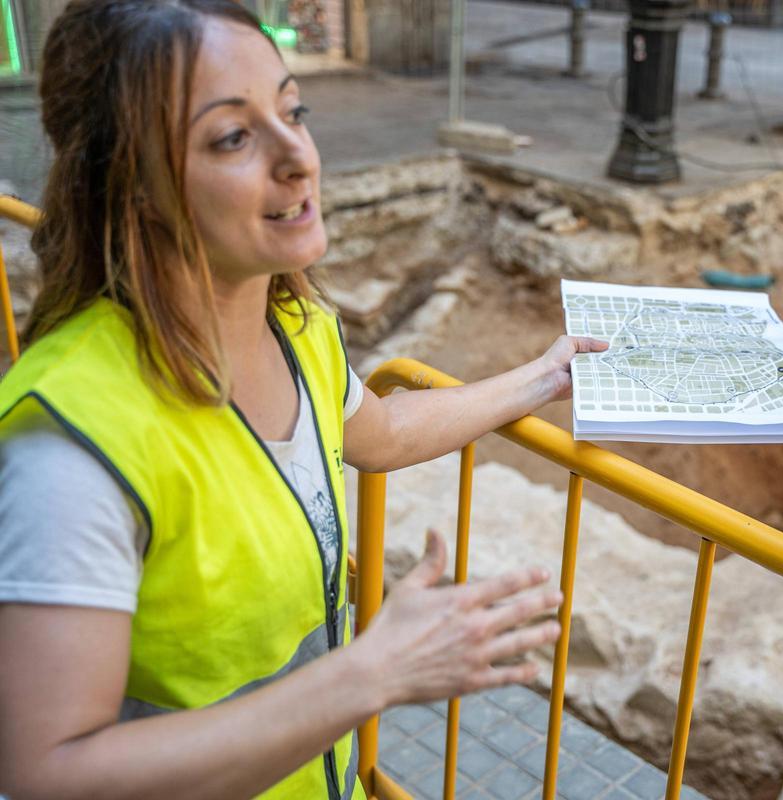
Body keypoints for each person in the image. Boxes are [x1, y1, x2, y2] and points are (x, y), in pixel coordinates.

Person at [0, 1, 607, 797]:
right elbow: (47, 772)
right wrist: (373, 674)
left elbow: (380, 431)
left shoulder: (294, 323)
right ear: (132, 185)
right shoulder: (72, 443)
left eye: (294, 111)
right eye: (233, 137)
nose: (300, 158)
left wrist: (544, 376)